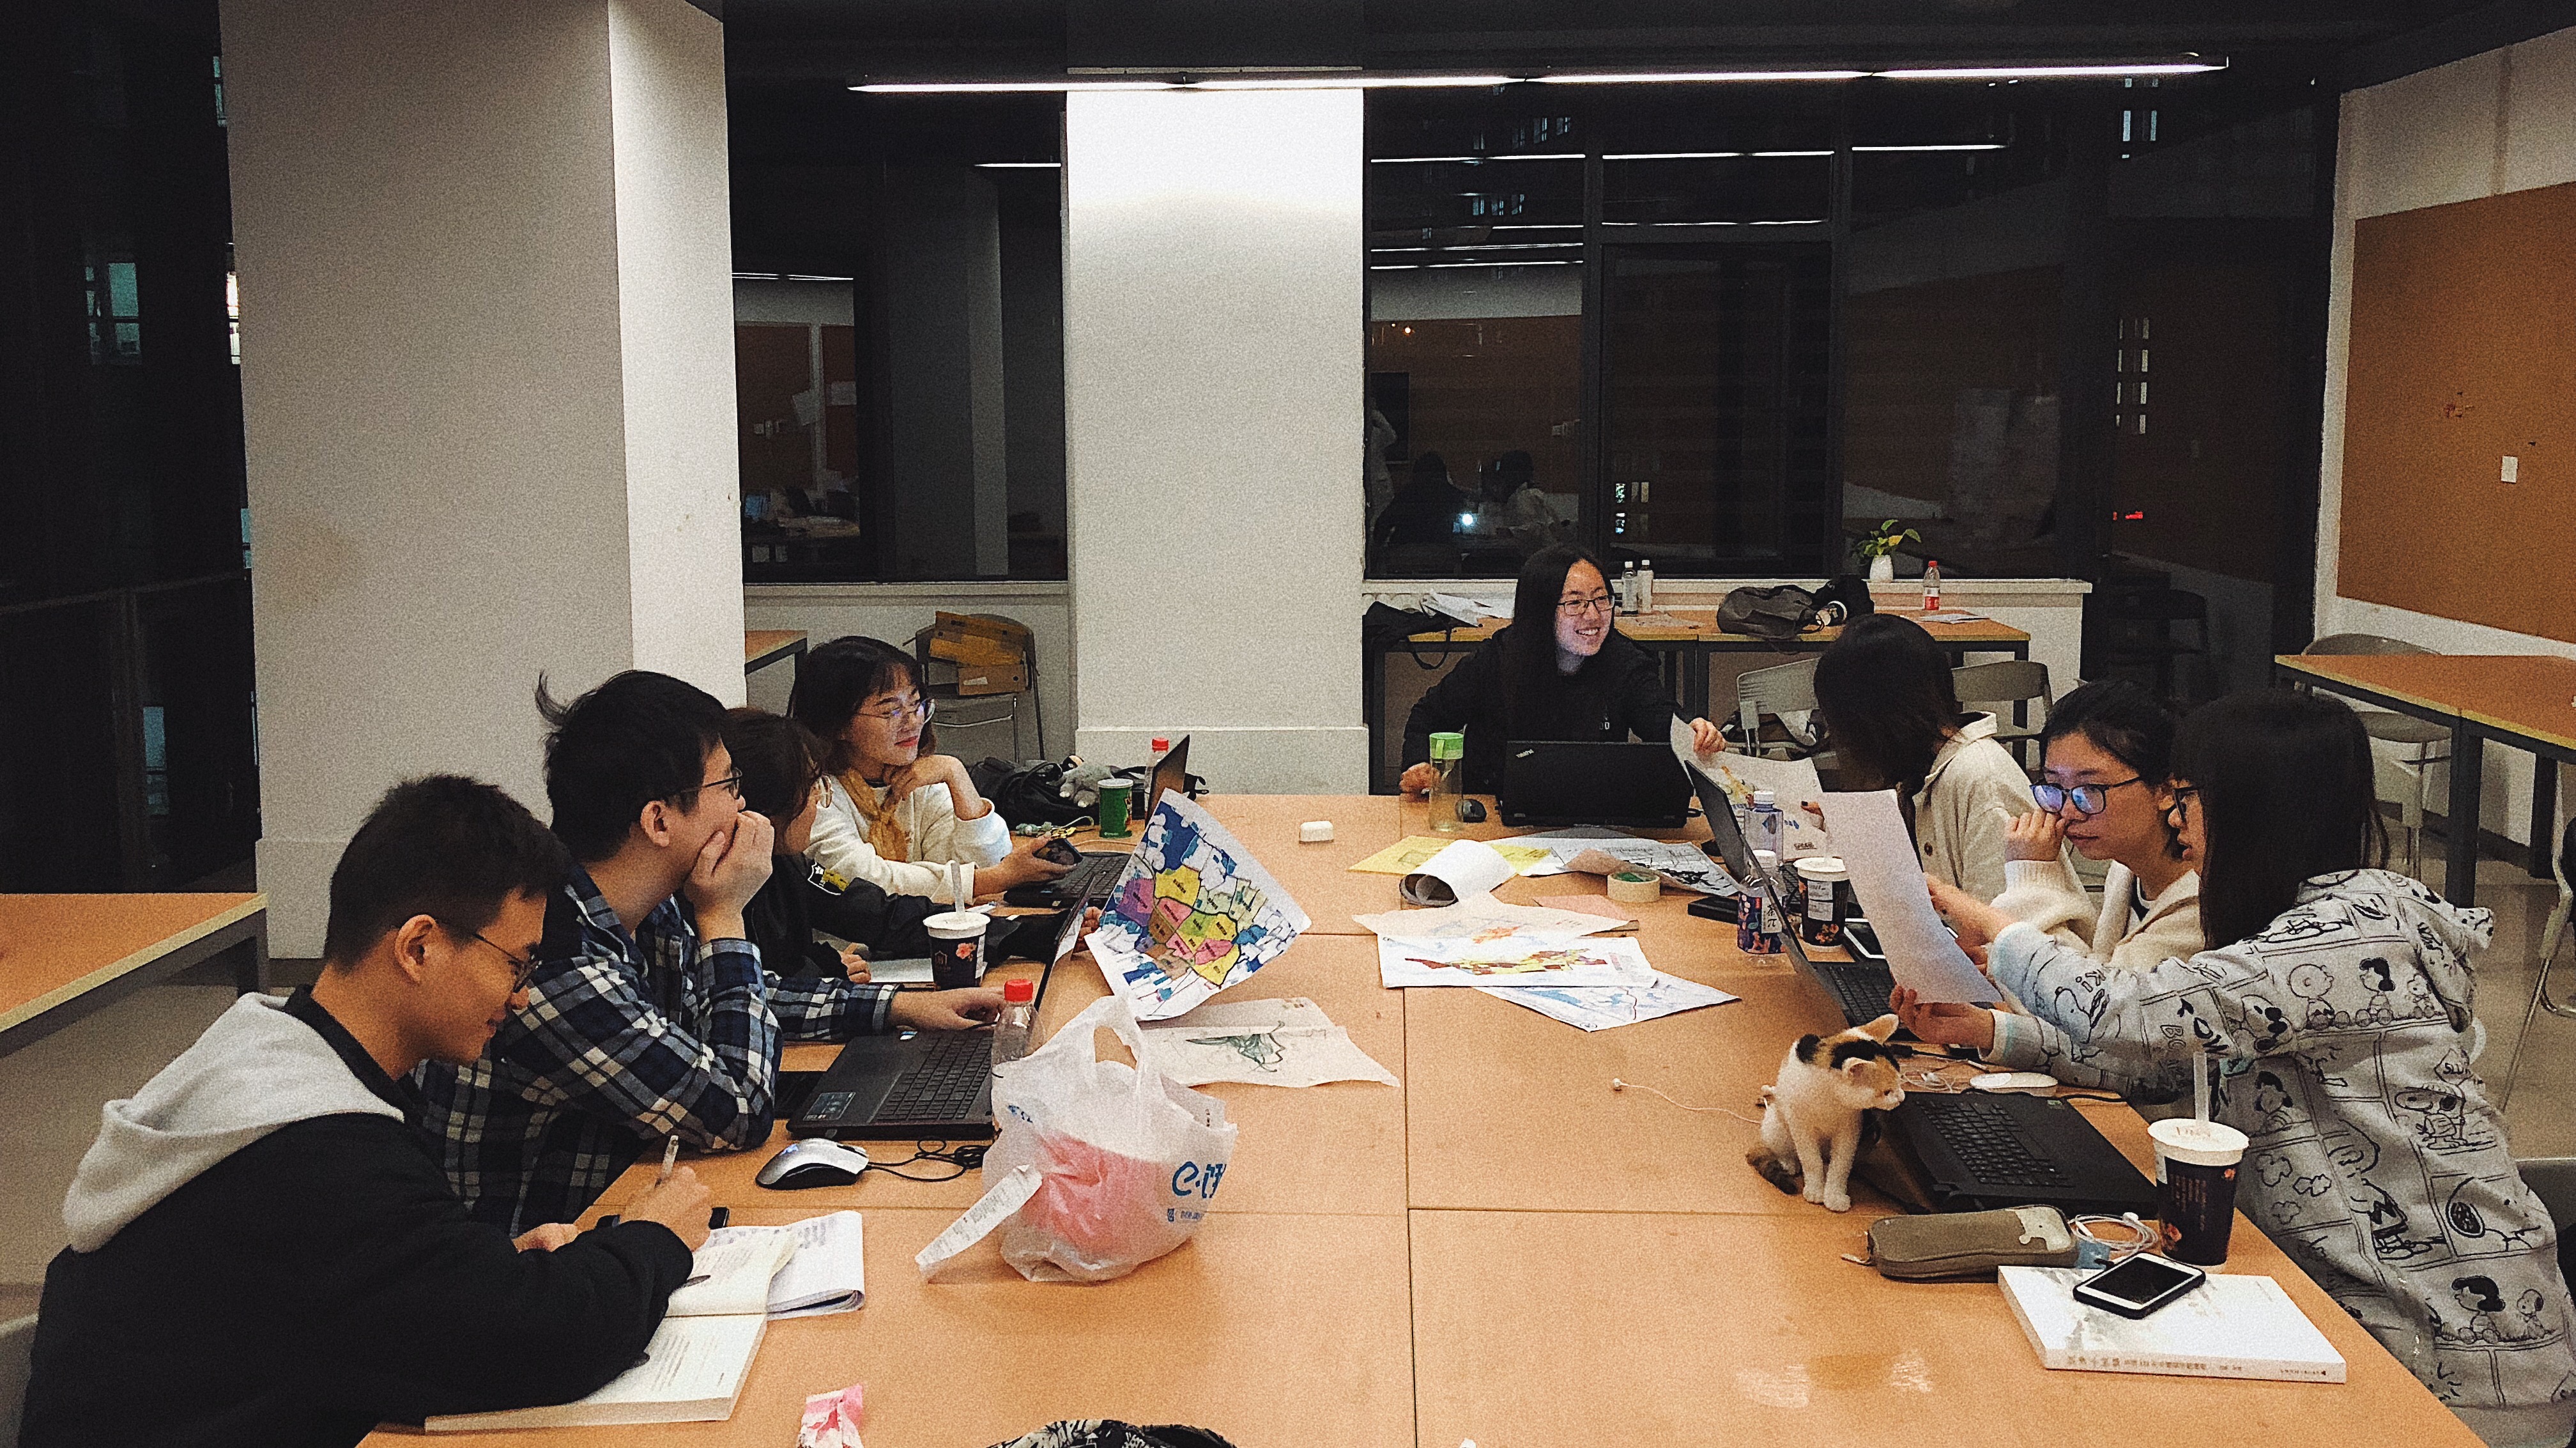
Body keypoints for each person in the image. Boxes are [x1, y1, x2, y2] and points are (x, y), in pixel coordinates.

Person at [1899, 691, 2576, 1447]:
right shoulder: (2292, 917)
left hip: (2451, 1347)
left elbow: (2118, 1011)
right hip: (2363, 1300)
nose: (2176, 816)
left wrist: (2000, 923)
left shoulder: (2339, 937)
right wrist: (1995, 1032)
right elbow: (2166, 1062)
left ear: (2251, 803)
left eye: (2186, 795)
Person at [20, 776, 716, 1448]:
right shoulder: (319, 1151)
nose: (524, 997)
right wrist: (654, 1238)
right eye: (518, 965)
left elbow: (341, 1287)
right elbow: (540, 1343)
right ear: (418, 947)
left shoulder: (273, 1052)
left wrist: (476, 1271)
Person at [417, 671, 1003, 1235]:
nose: (745, 807)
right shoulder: (557, 963)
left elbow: (727, 996)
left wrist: (900, 1007)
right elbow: (739, 1112)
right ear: (659, 819)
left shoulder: (636, 903)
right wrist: (724, 919)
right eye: (729, 786)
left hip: (634, 1210)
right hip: (551, 1265)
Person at [1909, 681, 2204, 1082]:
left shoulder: (2198, 904)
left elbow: (2092, 1017)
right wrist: (1985, 1019)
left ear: (2167, 789)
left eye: (2089, 789)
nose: (2067, 811)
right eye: (2054, 788)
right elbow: (2093, 979)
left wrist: (2031, 876)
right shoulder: (2128, 870)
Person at [1400, 545, 1721, 796]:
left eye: (1601, 599)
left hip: (1593, 815)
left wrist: (1694, 732)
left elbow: (1662, 721)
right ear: (1541, 611)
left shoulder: (1625, 663)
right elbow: (1428, 717)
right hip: (1496, 813)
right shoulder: (1498, 659)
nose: (1593, 615)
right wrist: (1419, 766)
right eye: (1574, 603)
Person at [790, 635, 1068, 907]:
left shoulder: (920, 776)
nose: (913, 721)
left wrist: (956, 775)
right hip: (848, 948)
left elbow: (982, 866)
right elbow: (862, 882)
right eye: (891, 712)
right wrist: (998, 878)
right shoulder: (816, 794)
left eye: (917, 703)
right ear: (837, 725)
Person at [1811, 612, 2041, 901]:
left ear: (1877, 721)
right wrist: (1852, 820)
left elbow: (2001, 928)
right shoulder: (1922, 764)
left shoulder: (1980, 779)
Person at [723, 707, 937, 976]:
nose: (819, 801)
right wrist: (819, 968)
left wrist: (975, 926)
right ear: (769, 806)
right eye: (812, 787)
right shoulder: (717, 890)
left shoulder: (792, 864)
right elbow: (763, 988)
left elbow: (871, 909)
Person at [1372, 449, 1475, 552]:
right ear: (1443, 472)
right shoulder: (1451, 494)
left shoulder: (1407, 495)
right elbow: (1470, 521)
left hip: (1405, 554)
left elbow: (1383, 523)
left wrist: (1377, 550)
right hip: (1441, 554)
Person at [1480, 450, 1566, 549]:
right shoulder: (1529, 495)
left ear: (1513, 475)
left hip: (1539, 559)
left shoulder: (1526, 497)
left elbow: (1535, 529)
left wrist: (1509, 532)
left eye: (1505, 475)